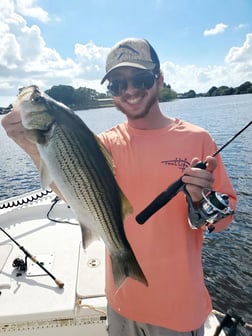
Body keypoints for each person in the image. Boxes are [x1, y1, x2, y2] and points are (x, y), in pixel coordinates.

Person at [2, 37, 237, 336]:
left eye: (140, 79)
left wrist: (199, 200)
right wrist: (30, 145)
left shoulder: (197, 139)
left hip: (178, 309)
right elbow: (74, 193)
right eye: (116, 84)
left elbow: (224, 219)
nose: (130, 91)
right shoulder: (104, 144)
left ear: (160, 78)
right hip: (120, 302)